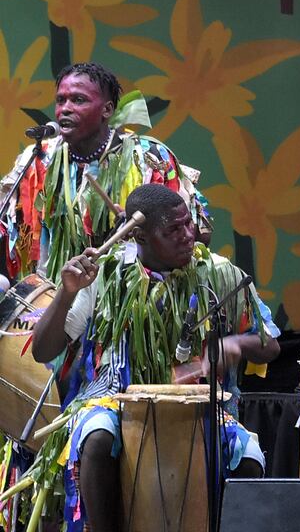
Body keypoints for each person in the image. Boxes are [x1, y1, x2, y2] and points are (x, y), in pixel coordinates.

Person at [23, 184, 279, 532]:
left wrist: (236, 344)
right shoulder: (106, 276)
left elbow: (270, 344)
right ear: (139, 235)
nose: (189, 235)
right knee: (97, 438)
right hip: (113, 400)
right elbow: (42, 351)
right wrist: (67, 293)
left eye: (188, 224)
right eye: (173, 230)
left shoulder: (218, 273)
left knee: (248, 459)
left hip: (201, 408)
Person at [0, 62, 209, 285]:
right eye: (61, 100)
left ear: (107, 110)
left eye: (78, 100)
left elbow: (199, 234)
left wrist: (141, 234)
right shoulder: (37, 159)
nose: (66, 108)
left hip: (128, 299)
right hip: (51, 298)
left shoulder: (150, 160)